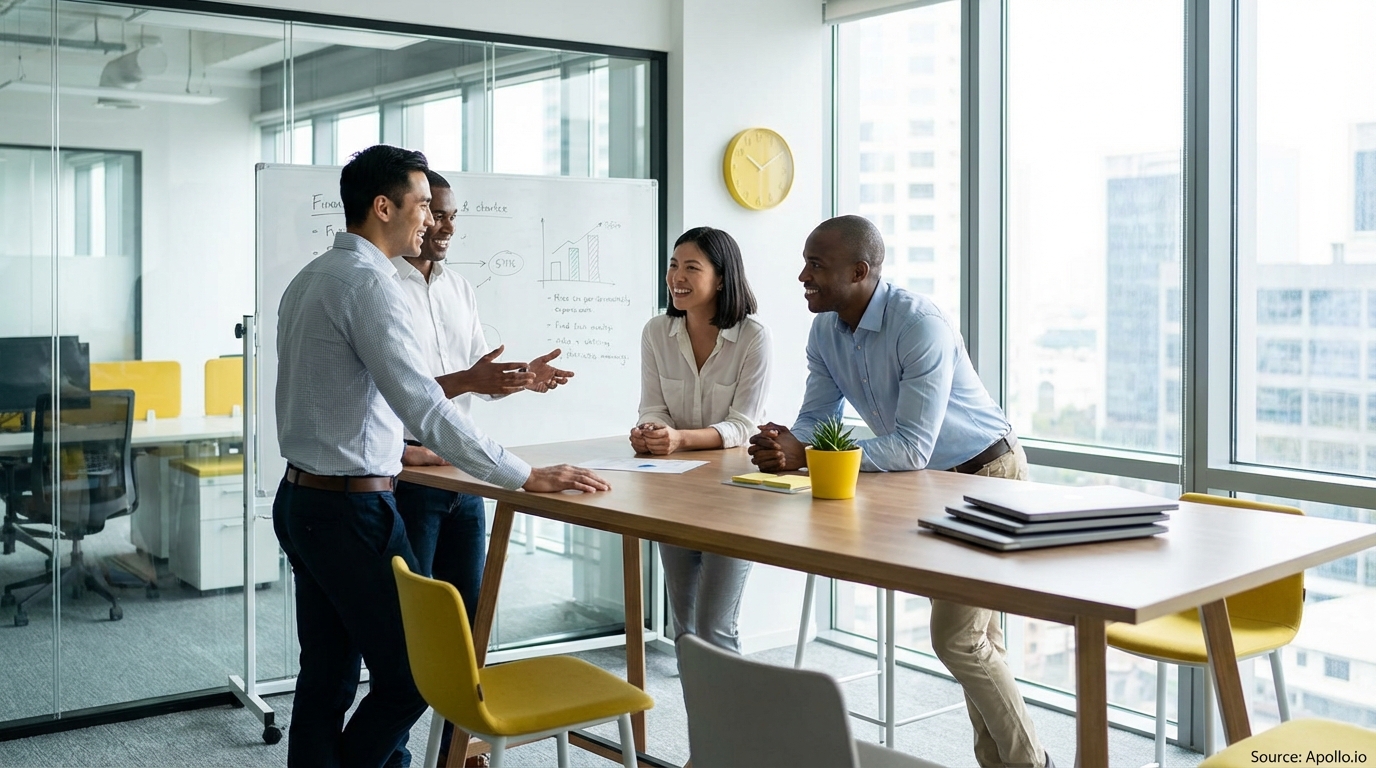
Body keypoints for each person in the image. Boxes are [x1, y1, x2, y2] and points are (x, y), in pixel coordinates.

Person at [273, 144, 610, 768]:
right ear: (383, 207)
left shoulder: (311, 277)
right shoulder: (370, 286)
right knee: (417, 675)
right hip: (353, 510)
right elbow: (424, 407)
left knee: (327, 674)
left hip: (302, 500)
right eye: (424, 204)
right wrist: (524, 476)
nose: (432, 220)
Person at [748, 215, 1050, 768]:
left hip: (989, 476)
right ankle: (1005, 763)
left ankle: (1033, 764)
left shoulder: (919, 324)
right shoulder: (824, 332)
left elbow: (910, 447)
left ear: (860, 271)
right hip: (931, 486)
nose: (801, 275)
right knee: (979, 641)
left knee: (959, 640)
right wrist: (785, 444)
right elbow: (817, 420)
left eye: (816, 264)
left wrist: (807, 458)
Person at [389, 169, 573, 765]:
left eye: (451, 216)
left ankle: (456, 750)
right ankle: (395, 753)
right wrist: (471, 380)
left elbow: (473, 374)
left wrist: (515, 379)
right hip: (407, 472)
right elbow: (394, 392)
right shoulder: (378, 286)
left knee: (467, 634)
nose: (444, 226)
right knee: (409, 640)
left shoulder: (458, 287)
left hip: (464, 470)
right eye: (434, 213)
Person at [631, 226, 771, 652]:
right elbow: (652, 406)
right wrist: (652, 430)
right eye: (674, 266)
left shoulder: (752, 337)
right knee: (686, 629)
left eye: (692, 267)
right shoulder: (657, 332)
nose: (677, 277)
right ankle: (701, 718)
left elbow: (744, 425)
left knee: (716, 628)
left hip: (734, 495)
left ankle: (732, 720)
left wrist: (681, 439)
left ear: (722, 278)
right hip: (672, 491)